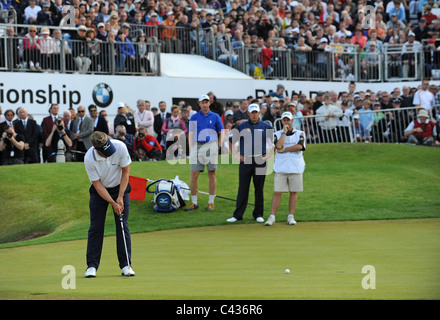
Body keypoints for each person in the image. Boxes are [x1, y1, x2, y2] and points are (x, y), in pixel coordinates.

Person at [84, 131, 134, 278]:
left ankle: (126, 265)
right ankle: (91, 266)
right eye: (105, 152)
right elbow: (98, 185)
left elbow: (126, 172)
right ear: (96, 149)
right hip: (100, 192)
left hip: (120, 188)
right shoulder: (89, 158)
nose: (109, 153)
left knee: (122, 225)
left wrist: (119, 197)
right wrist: (112, 202)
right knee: (96, 227)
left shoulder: (120, 147)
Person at [226, 103, 273, 223]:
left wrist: (269, 154)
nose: (254, 115)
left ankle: (258, 214)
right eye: (252, 113)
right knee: (243, 188)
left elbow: (275, 142)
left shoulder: (265, 126)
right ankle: (237, 215)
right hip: (245, 160)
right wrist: (236, 154)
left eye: (256, 112)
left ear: (259, 113)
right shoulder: (241, 126)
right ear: (248, 114)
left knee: (259, 188)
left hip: (260, 160)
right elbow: (230, 141)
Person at [265, 111, 306, 226]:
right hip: (281, 167)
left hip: (296, 167)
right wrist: (284, 132)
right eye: (284, 120)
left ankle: (291, 216)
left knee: (293, 192)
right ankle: (272, 216)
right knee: (277, 192)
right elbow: (278, 145)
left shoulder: (300, 133)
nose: (286, 122)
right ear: (282, 121)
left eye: (288, 120)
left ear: (292, 120)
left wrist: (284, 150)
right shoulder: (277, 134)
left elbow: (300, 146)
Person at [186, 94, 224, 212]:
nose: (204, 104)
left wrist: (219, 145)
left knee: (212, 173)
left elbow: (221, 131)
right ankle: (194, 202)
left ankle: (211, 202)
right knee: (194, 173)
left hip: (211, 145)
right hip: (197, 145)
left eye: (206, 102)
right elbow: (190, 134)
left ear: (209, 103)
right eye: (202, 102)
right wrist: (191, 148)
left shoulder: (216, 116)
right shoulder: (194, 117)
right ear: (199, 104)